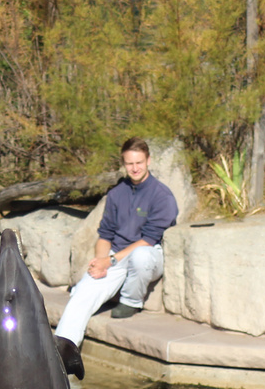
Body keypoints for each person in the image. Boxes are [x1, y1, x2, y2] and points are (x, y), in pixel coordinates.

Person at [54, 138, 178, 351]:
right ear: (123, 163)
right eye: (130, 163)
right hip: (116, 254)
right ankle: (64, 350)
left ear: (148, 160)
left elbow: (148, 239)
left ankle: (131, 301)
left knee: (141, 256)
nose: (135, 168)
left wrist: (110, 260)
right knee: (82, 293)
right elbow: (105, 234)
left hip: (148, 253)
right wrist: (101, 261)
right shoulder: (116, 193)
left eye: (139, 162)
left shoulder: (162, 195)